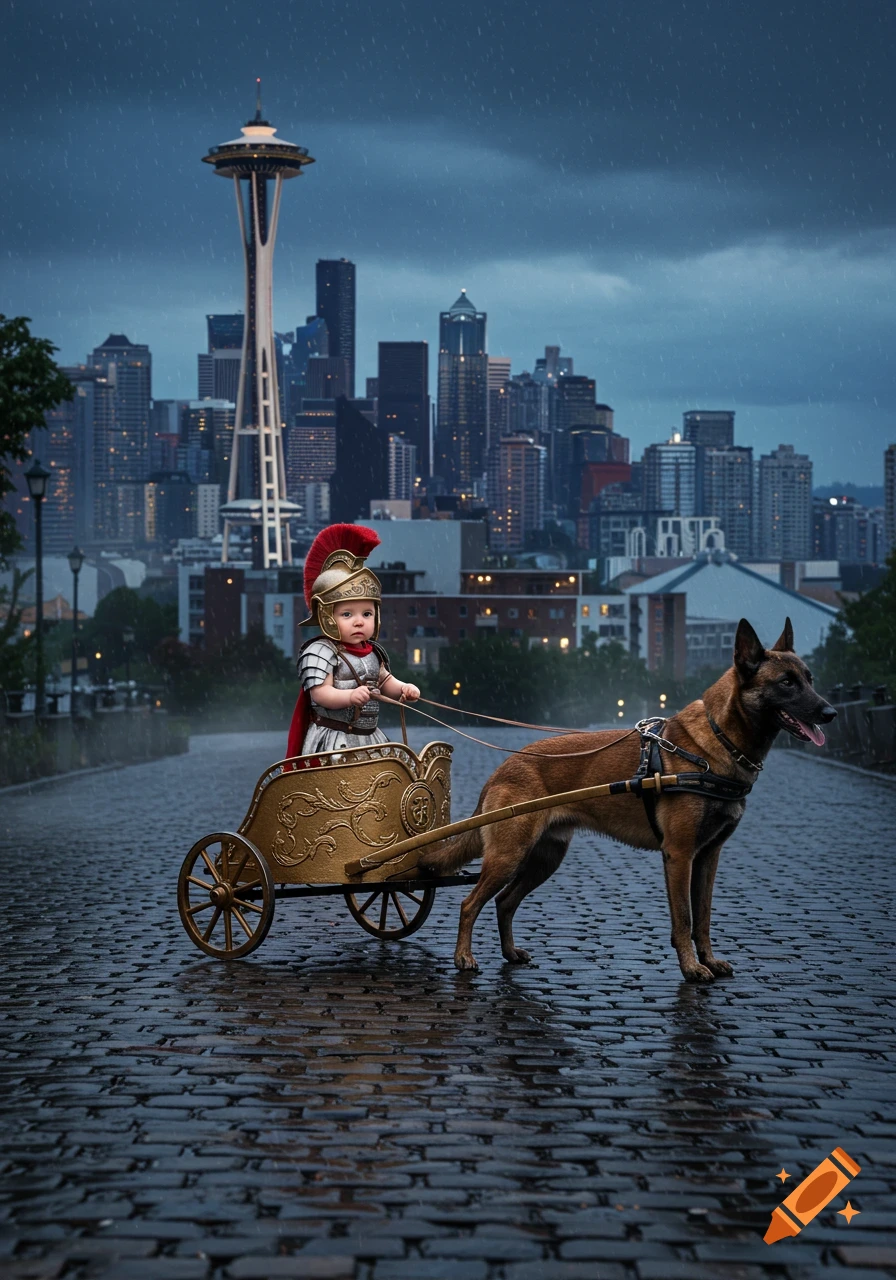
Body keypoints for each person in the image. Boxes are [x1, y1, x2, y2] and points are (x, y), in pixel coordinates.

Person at [286, 523, 421, 758]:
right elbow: (320, 694)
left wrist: (404, 689)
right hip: (333, 739)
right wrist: (349, 696)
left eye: (366, 614)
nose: (359, 621)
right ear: (328, 616)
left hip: (368, 736)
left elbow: (386, 682)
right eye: (347, 614)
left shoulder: (372, 652)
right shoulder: (320, 651)